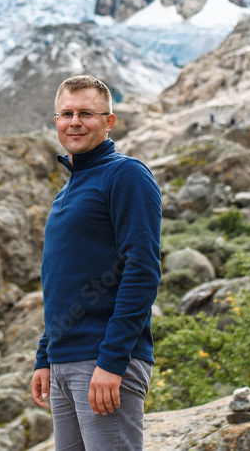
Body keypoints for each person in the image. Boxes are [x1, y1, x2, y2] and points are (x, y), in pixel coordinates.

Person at [30, 75, 162, 450]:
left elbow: (142, 269)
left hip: (102, 361)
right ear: (56, 120)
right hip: (64, 362)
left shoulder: (126, 175)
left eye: (86, 113)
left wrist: (113, 360)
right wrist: (45, 355)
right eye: (66, 113)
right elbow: (62, 282)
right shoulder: (66, 191)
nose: (74, 122)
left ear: (108, 121)